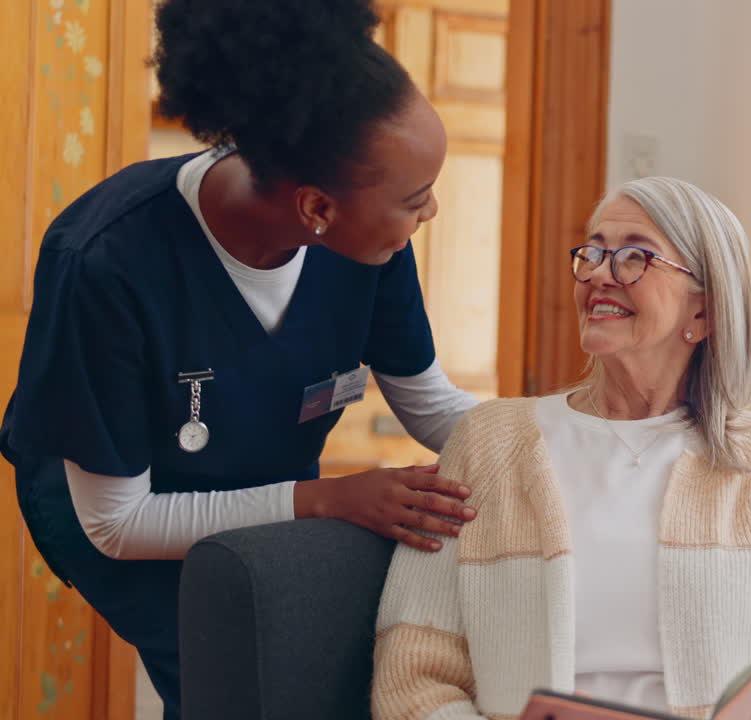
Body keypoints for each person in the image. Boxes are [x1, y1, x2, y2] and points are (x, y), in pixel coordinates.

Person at [0, 1, 480, 716]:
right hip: (112, 501)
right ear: (318, 209)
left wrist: (565, 440)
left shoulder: (370, 242)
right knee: (242, 675)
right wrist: (325, 500)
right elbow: (117, 522)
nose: (430, 212)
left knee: (314, 663)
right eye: (417, 199)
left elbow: (431, 405)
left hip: (265, 473)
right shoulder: (107, 261)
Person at [372, 177, 751, 720]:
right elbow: (414, 673)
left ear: (702, 313)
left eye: (635, 257)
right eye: (593, 253)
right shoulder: (489, 442)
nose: (599, 275)